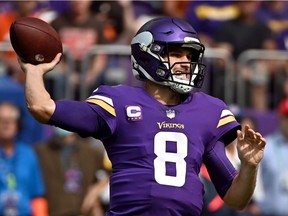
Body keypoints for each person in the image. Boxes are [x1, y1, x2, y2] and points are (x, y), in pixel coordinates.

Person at [18, 16, 266, 216]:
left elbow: (236, 200)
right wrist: (34, 71)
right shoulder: (118, 102)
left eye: (190, 56)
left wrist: (249, 167)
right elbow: (43, 108)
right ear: (149, 54)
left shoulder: (208, 111)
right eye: (177, 53)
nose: (185, 63)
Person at [35, 127, 108, 216]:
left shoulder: (91, 152)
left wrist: (95, 191)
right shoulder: (41, 152)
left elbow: (113, 171)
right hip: (55, 211)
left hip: (84, 212)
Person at [0, 102, 47, 216]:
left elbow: (37, 195)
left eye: (10, 120)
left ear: (18, 125)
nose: (6, 124)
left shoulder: (28, 154)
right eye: (1, 120)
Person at [256, 97, 288, 216]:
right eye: (286, 117)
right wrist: (255, 203)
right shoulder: (266, 145)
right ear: (280, 118)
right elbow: (255, 178)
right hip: (268, 212)